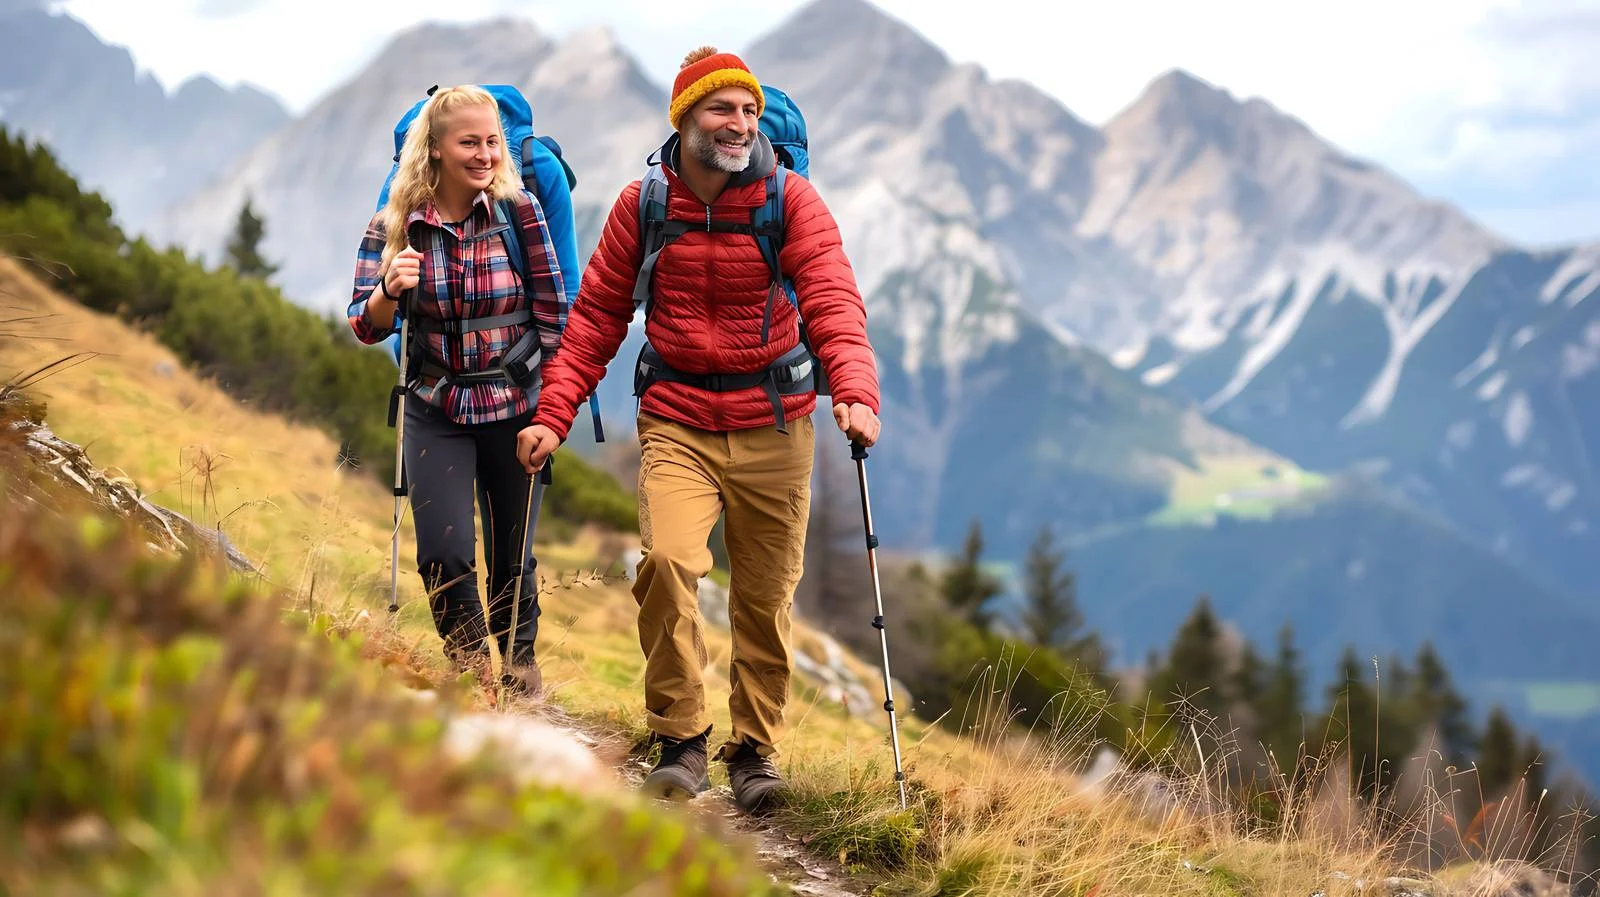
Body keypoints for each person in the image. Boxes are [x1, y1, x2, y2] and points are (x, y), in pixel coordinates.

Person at [515, 46, 881, 812]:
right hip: (678, 416)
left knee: (765, 596)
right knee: (669, 565)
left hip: (777, 421)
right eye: (722, 109)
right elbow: (597, 317)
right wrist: (554, 415)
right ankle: (680, 738)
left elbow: (833, 298)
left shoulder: (791, 201)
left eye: (749, 111)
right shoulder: (642, 204)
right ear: (683, 119)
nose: (740, 123)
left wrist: (853, 391)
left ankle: (754, 752)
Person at [347, 84, 568, 695]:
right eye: (468, 142)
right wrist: (389, 290)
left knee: (511, 557)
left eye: (492, 142)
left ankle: (520, 671)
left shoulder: (522, 216)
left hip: (514, 404)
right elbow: (364, 326)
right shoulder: (393, 227)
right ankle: (471, 677)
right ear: (434, 149)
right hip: (435, 406)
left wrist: (551, 411)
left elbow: (555, 315)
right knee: (444, 551)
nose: (485, 155)